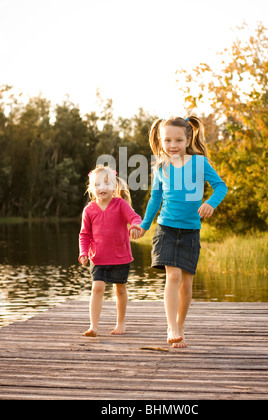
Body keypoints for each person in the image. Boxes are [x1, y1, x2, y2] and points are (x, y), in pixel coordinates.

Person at [139, 116, 227, 348]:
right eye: (167, 140)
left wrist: (210, 203)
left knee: (186, 284)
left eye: (178, 139)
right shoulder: (160, 165)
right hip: (166, 227)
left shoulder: (199, 163)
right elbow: (155, 197)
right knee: (173, 276)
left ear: (188, 139)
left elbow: (221, 186)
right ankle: (171, 326)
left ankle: (180, 324)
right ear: (160, 140)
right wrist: (145, 225)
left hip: (190, 231)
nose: (173, 145)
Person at [79, 165, 142, 338]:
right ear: (92, 188)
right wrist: (83, 252)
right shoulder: (89, 210)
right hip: (98, 257)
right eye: (98, 184)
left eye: (107, 184)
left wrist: (136, 225)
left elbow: (135, 217)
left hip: (120, 256)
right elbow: (84, 235)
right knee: (97, 287)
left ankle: (120, 323)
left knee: (120, 289)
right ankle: (93, 326)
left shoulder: (120, 204)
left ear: (114, 187)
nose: (102, 188)